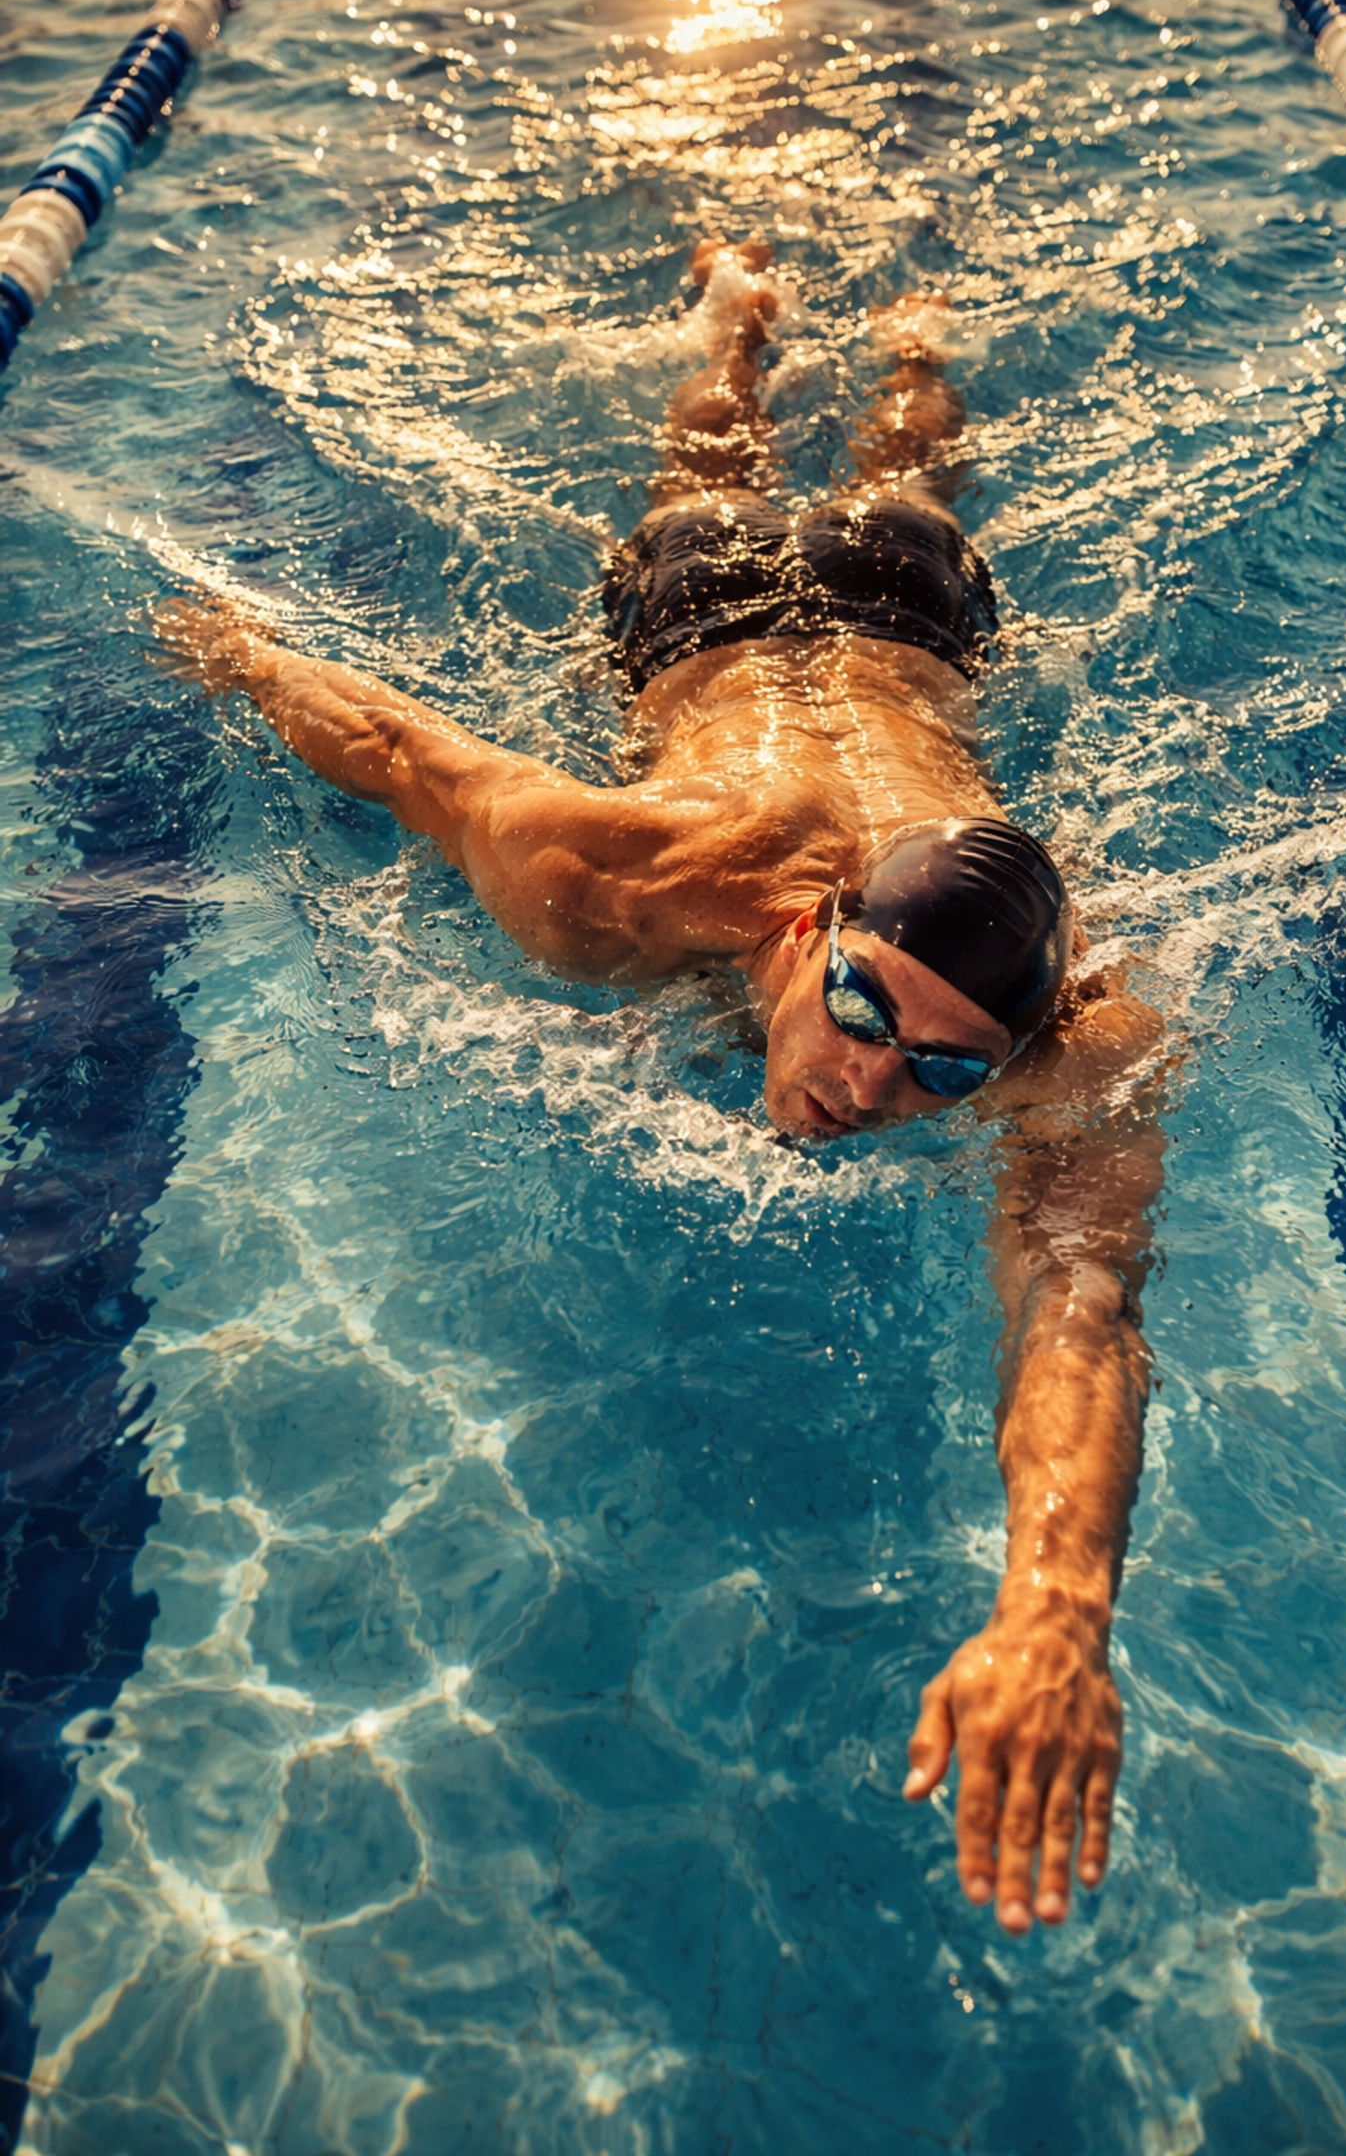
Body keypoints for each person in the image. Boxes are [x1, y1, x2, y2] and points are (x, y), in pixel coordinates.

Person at [156, 239, 1165, 1940]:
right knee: (712, 456)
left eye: (940, 1068)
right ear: (801, 926)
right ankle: (738, 317)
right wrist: (243, 663)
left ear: (1021, 1044)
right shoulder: (612, 882)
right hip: (703, 612)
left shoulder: (1084, 1043)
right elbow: (411, 752)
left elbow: (1079, 1310)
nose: (869, 1078)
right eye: (857, 1006)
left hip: (914, 614)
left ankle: (918, 338)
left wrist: (1056, 1614)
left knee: (910, 474)